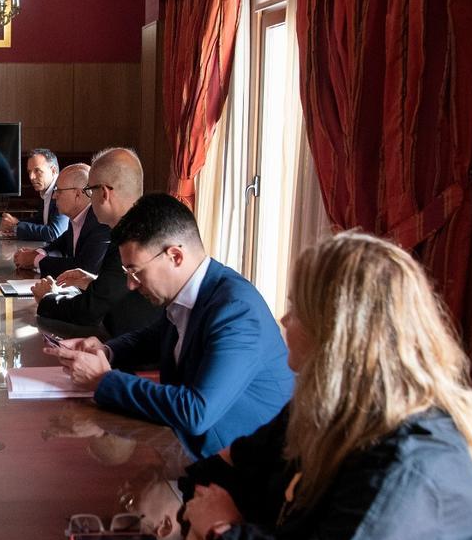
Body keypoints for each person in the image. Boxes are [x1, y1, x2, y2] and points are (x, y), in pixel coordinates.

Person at [180, 231, 472, 540]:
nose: (284, 319)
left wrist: (221, 530)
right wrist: (209, 518)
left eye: (296, 308)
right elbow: (227, 468)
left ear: (336, 333)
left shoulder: (408, 465)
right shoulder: (325, 409)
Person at [46, 193, 293, 459]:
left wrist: (103, 380)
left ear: (175, 256)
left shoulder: (236, 311)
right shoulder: (195, 290)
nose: (130, 285)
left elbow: (195, 412)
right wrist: (105, 351)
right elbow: (150, 339)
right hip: (188, 447)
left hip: (244, 464)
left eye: (135, 271)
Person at [33, 147, 161, 338]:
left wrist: (48, 297)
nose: (88, 198)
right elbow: (121, 291)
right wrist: (93, 281)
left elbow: (89, 312)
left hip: (137, 354)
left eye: (89, 191)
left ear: (103, 193)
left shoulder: (131, 236)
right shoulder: (142, 223)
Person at [12, 163, 110, 278]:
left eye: (59, 190)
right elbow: (63, 242)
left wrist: (35, 260)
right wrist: (38, 253)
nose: (54, 196)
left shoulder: (101, 221)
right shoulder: (78, 216)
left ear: (78, 194)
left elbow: (84, 269)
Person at [0, 148, 69, 241]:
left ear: (53, 171)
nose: (31, 177)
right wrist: (15, 222)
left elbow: (54, 233)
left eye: (37, 171)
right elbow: (40, 220)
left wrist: (17, 226)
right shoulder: (46, 189)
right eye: (29, 172)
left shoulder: (62, 190)